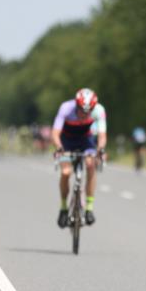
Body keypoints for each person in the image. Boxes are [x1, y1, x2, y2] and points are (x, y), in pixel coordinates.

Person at [52, 88, 107, 227]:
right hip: (67, 140)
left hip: (85, 140)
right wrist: (59, 148)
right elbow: (55, 133)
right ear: (76, 105)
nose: (84, 114)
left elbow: (102, 135)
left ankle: (89, 207)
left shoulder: (99, 110)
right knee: (66, 172)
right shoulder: (66, 108)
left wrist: (100, 149)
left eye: (88, 111)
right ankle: (64, 208)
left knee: (90, 164)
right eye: (81, 110)